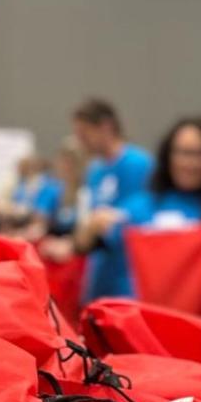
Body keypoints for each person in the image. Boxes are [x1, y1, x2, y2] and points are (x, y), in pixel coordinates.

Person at [69, 97, 154, 301]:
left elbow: (140, 222)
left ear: (106, 127)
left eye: (84, 133)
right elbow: (89, 219)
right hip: (99, 276)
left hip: (128, 279)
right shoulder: (95, 170)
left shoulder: (138, 164)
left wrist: (100, 225)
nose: (80, 141)